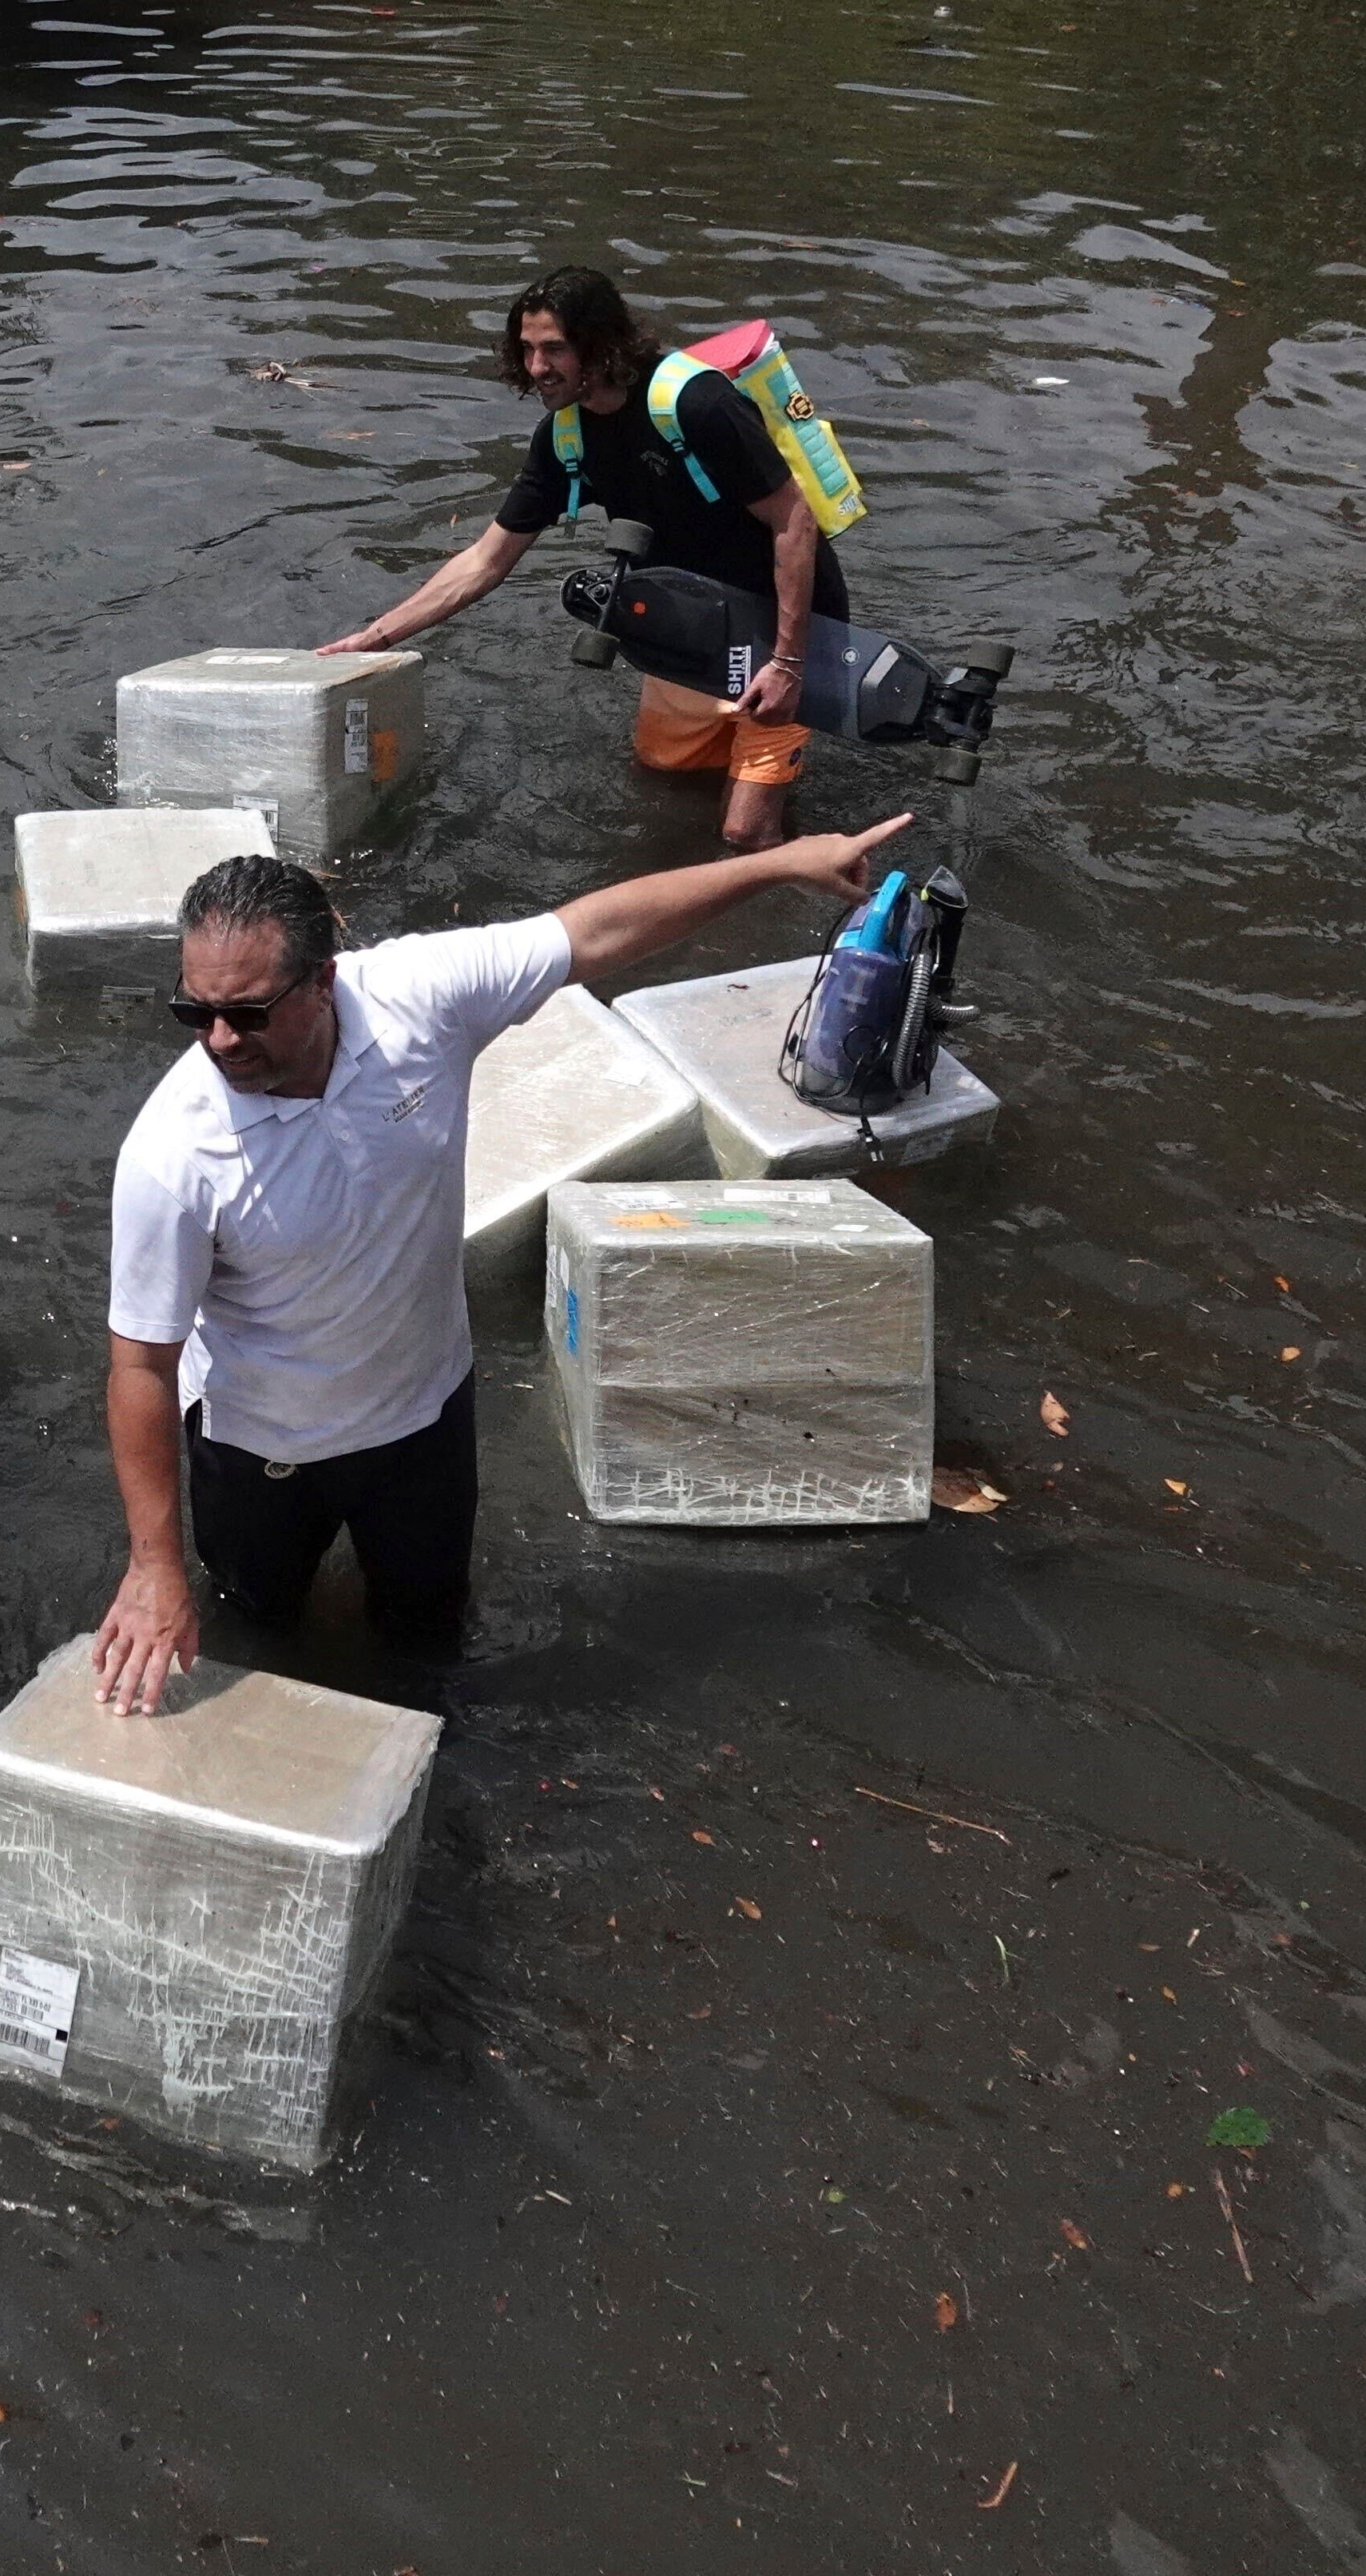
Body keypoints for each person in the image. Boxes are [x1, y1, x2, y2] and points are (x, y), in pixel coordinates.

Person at [93, 819, 908, 1716]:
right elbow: (141, 1363)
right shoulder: (173, 1153)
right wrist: (152, 1566)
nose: (218, 1040)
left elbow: (594, 932)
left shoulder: (419, 999)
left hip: (422, 1420)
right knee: (263, 1637)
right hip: (262, 1453)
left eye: (247, 1013)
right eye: (193, 1011)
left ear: (323, 981)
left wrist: (782, 864)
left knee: (428, 1641)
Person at [324, 264, 850, 851]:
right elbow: (486, 560)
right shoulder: (565, 439)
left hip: (782, 632)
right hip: (694, 635)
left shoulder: (696, 404)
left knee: (743, 832)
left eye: (554, 349)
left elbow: (794, 520)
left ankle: (799, 887)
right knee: (665, 798)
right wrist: (374, 639)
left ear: (601, 345)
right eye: (526, 350)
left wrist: (790, 664)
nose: (536, 369)